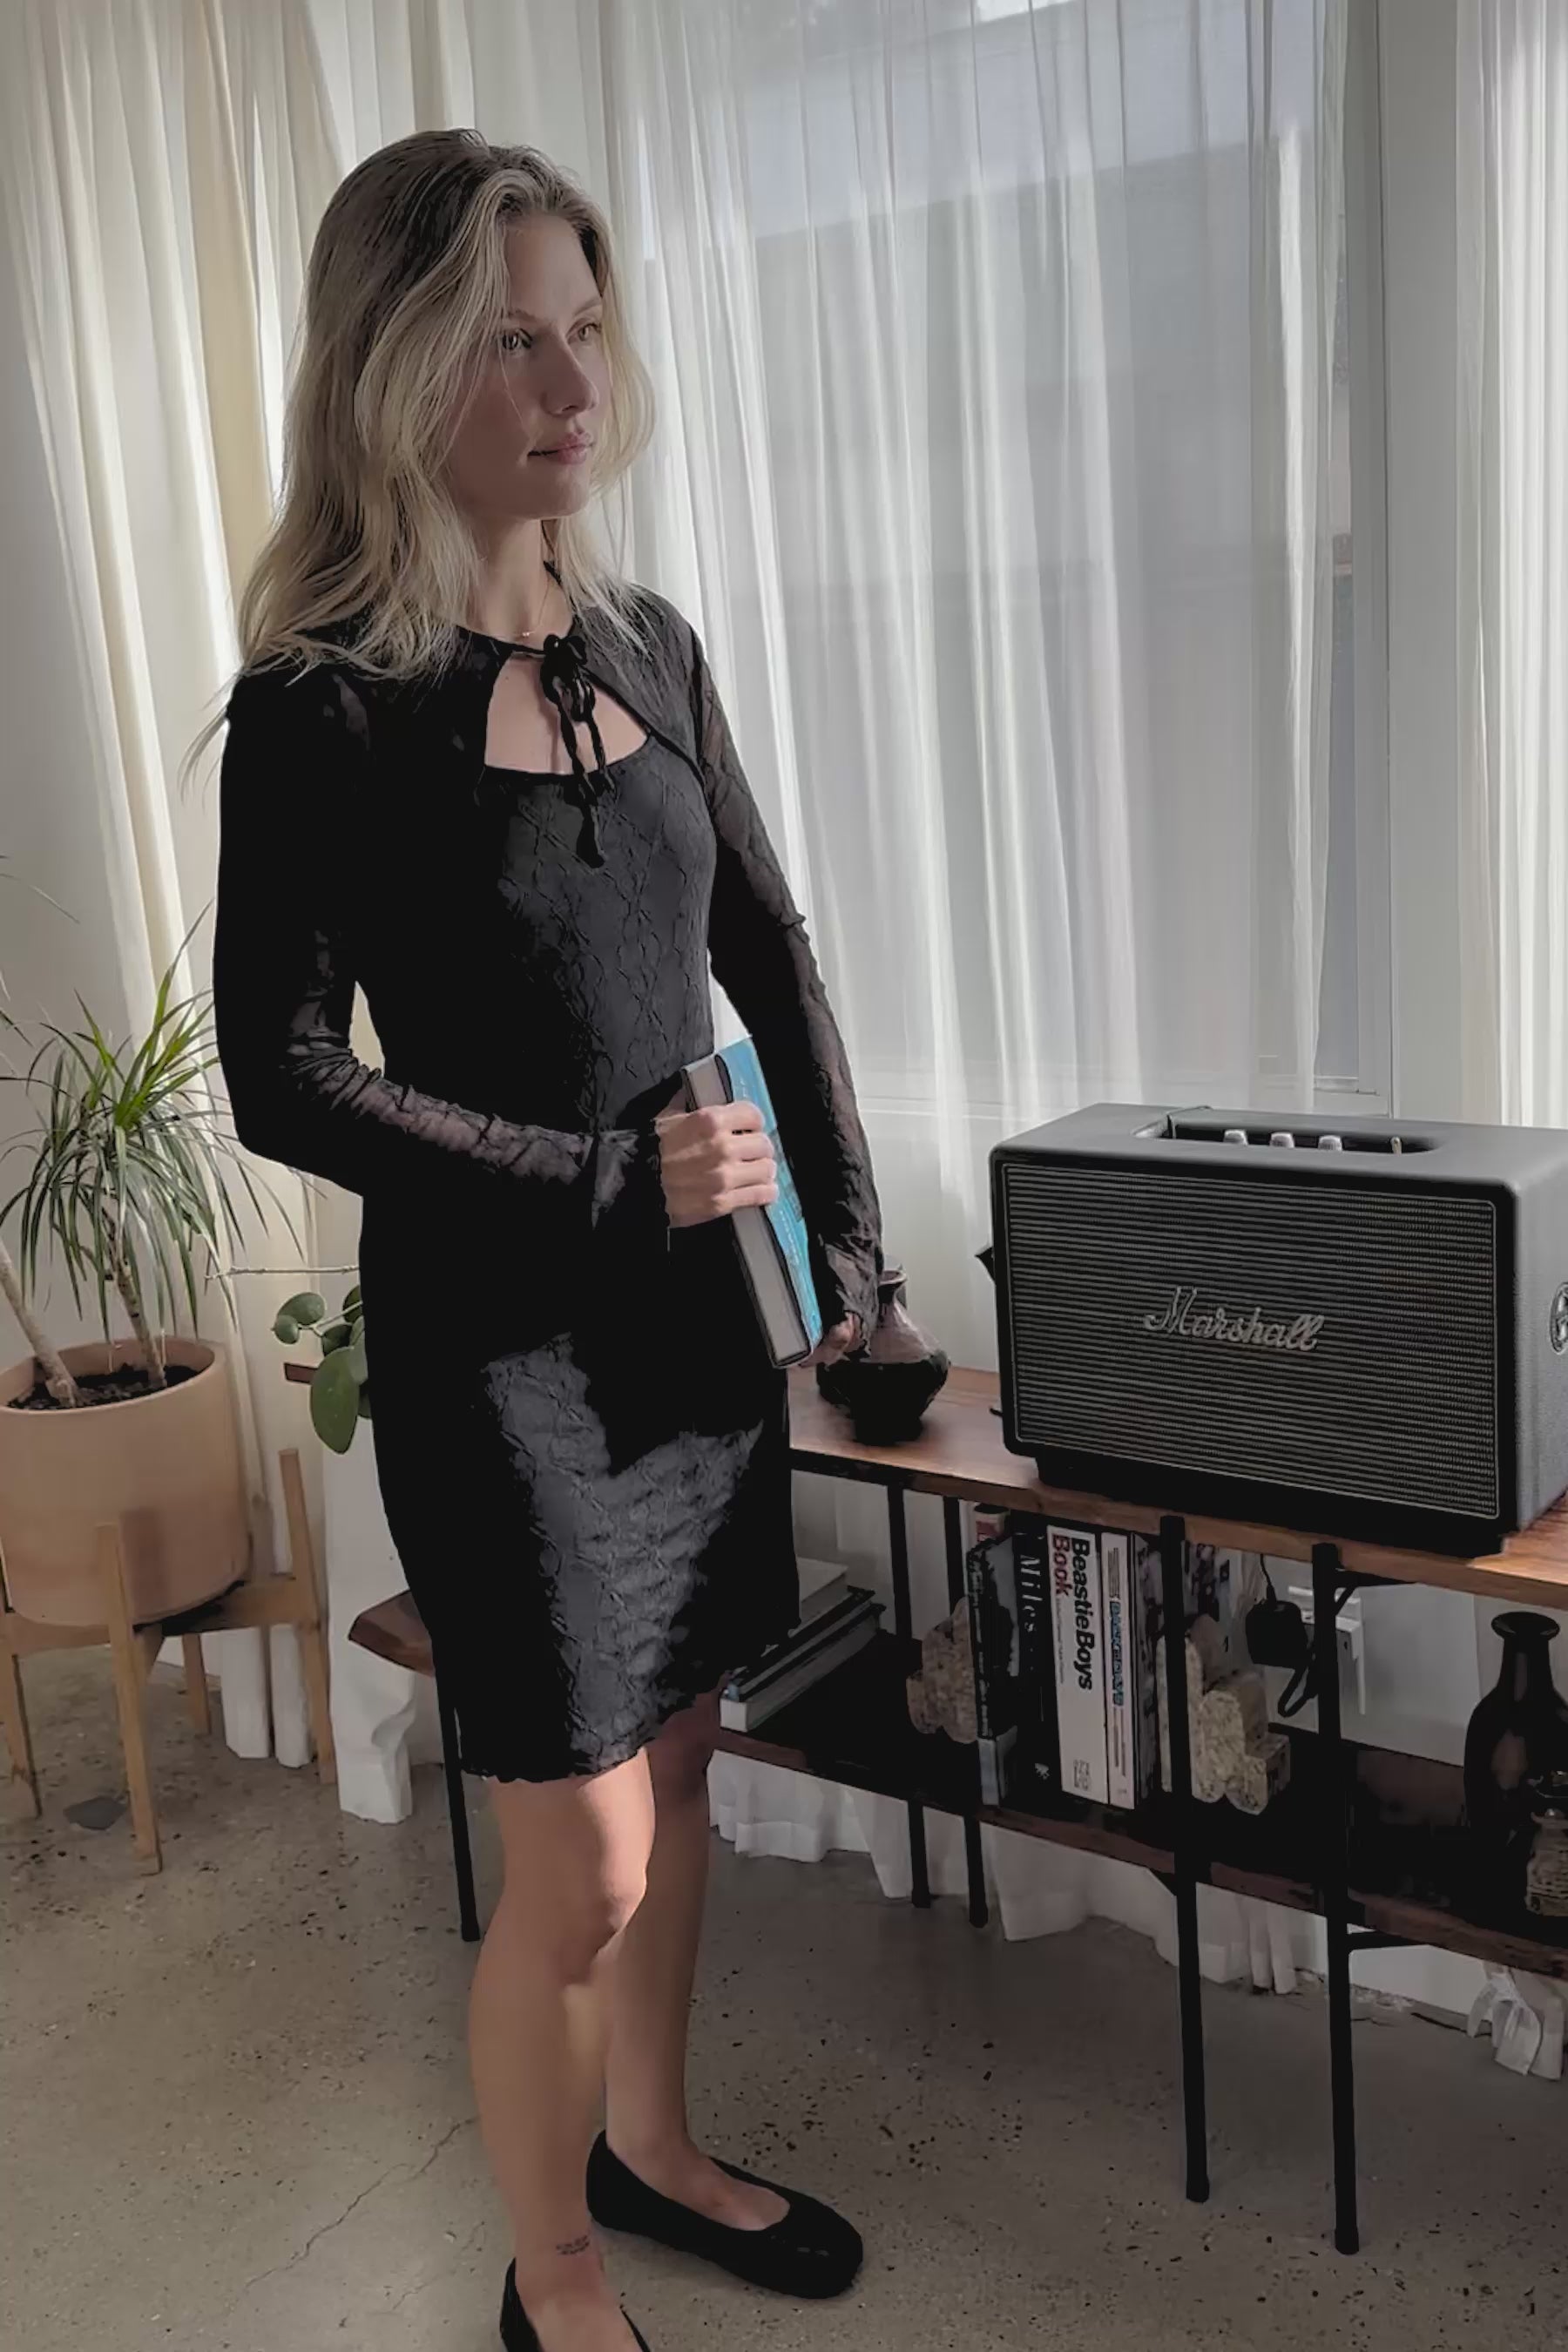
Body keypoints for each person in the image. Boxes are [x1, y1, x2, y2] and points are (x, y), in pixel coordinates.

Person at [210, 130, 884, 2352]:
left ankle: (653, 2148)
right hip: (499, 1355)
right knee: (578, 1849)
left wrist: (857, 1244)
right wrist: (600, 1183)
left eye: (586, 329)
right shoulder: (324, 703)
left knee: (680, 1770)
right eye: (512, 339)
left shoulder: (649, 647)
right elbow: (283, 1074)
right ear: (398, 368)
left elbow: (767, 949)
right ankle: (553, 2270)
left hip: (696, 1334)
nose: (572, 385)